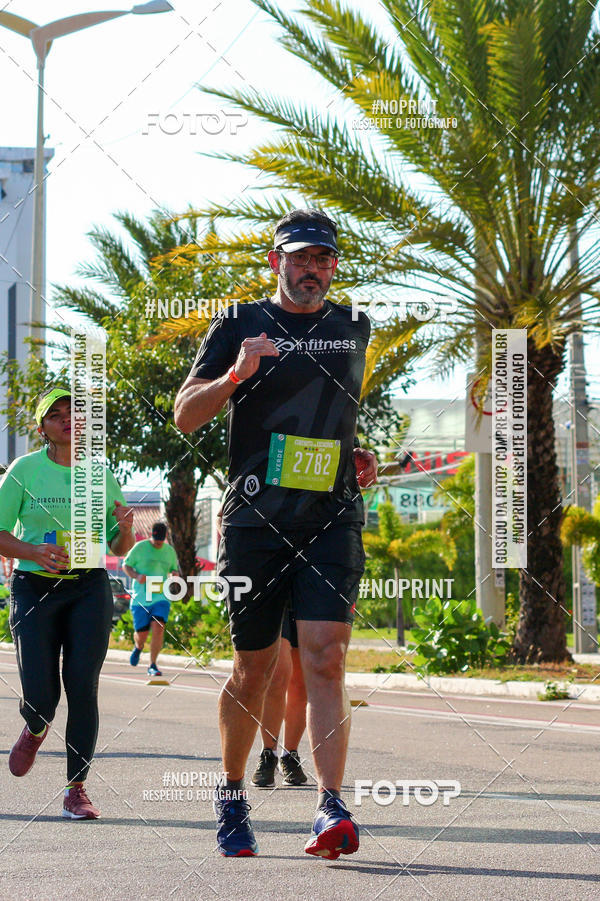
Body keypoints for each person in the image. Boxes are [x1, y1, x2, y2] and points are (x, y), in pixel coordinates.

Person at [175, 208, 377, 859]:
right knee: (253, 668)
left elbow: (330, 417)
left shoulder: (352, 328)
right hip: (254, 521)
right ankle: (233, 794)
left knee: (326, 655)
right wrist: (234, 375)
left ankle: (331, 807)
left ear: (334, 266)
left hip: (331, 517)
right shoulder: (240, 322)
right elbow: (184, 415)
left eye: (323, 258)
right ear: (276, 261)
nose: (312, 268)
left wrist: (356, 455)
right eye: (300, 257)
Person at [0, 387, 135, 819]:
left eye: (73, 414)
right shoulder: (24, 470)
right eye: (55, 415)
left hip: (88, 586)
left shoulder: (101, 473)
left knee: (83, 686)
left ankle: (76, 790)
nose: (66, 420)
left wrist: (127, 529)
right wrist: (34, 552)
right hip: (34, 587)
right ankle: (36, 726)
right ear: (42, 427)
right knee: (41, 696)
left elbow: (118, 543)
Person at [251, 610, 308, 788]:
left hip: (307, 592)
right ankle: (268, 754)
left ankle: (290, 756)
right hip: (277, 594)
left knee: (301, 683)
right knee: (277, 674)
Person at [122, 521, 179, 677]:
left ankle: (152, 664)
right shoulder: (139, 548)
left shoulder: (169, 551)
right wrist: (136, 575)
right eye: (155, 540)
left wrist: (175, 574)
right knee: (142, 635)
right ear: (151, 535)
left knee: (158, 627)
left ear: (165, 537)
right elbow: (126, 565)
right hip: (141, 598)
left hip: (161, 597)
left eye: (161, 540)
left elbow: (174, 569)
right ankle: (138, 647)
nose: (158, 543)